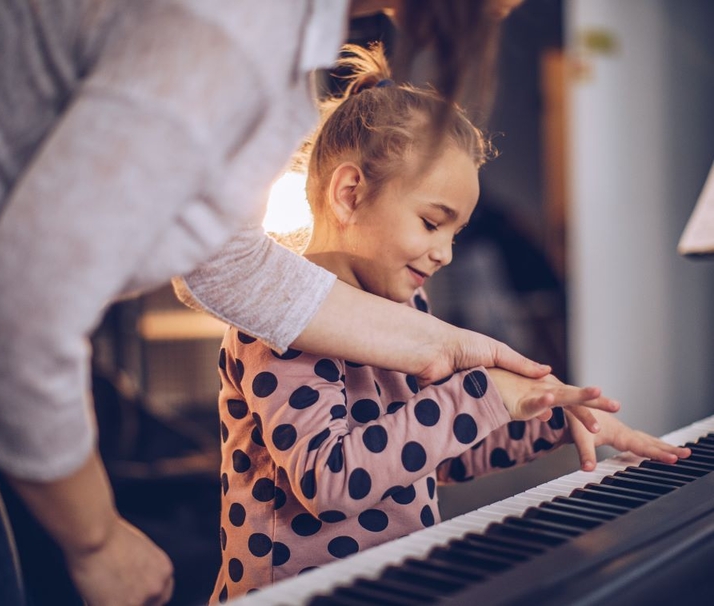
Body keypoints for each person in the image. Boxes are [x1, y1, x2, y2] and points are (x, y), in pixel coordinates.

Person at [0, 1, 559, 605]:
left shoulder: (269, 44)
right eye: (431, 223)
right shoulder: (231, 35)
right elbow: (19, 316)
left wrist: (541, 406)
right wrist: (96, 538)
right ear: (350, 193)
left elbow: (225, 263)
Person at [209, 43, 691, 602]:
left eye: (455, 234)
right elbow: (331, 481)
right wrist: (482, 395)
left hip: (394, 583)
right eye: (432, 222)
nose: (445, 254)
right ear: (349, 193)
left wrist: (547, 419)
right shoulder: (274, 321)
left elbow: (436, 451)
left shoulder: (407, 312)